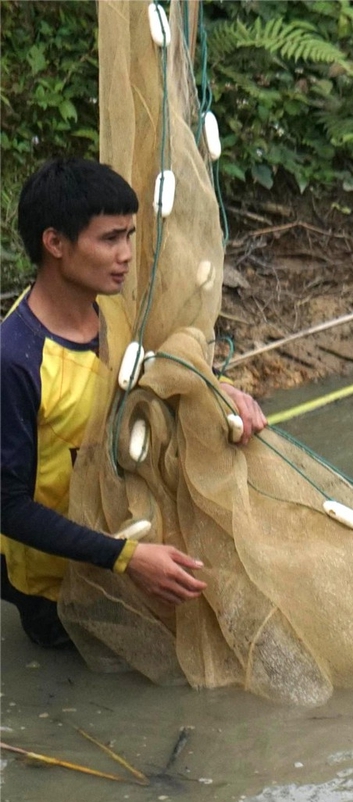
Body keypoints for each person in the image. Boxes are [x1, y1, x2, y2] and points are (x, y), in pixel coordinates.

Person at [2, 157, 265, 649]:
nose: (126, 254)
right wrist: (127, 558)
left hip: (133, 550)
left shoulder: (114, 314)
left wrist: (217, 392)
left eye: (129, 235)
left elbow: (151, 380)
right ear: (54, 242)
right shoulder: (16, 361)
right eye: (109, 239)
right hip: (61, 591)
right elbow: (6, 507)